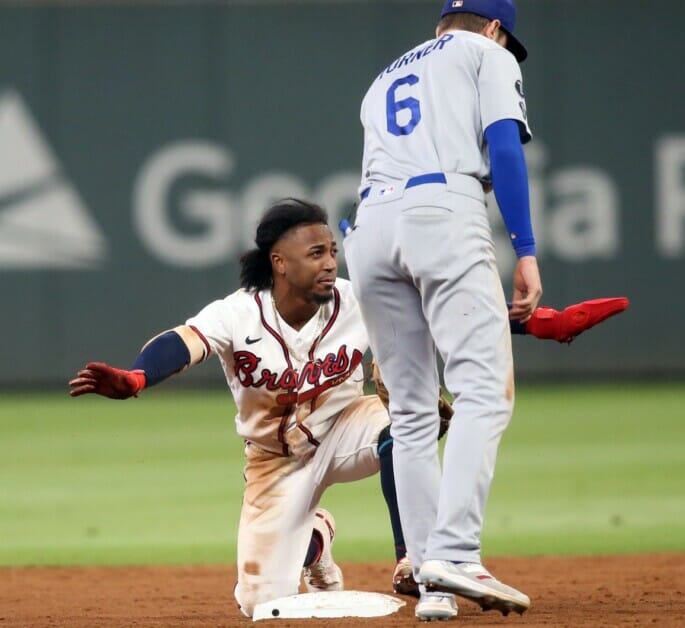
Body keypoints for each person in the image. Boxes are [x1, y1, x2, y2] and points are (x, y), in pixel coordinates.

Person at [68, 198, 627, 618]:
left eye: (332, 251)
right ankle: (316, 540)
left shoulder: (357, 300)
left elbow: (455, 310)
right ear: (279, 262)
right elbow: (180, 342)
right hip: (272, 462)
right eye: (315, 253)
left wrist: (547, 324)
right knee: (260, 604)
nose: (329, 262)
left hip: (346, 429)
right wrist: (137, 377)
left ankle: (414, 559)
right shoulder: (239, 313)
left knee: (406, 421)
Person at [345, 0, 544, 620]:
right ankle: (455, 553)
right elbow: (504, 148)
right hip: (442, 209)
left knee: (410, 413)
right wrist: (526, 250)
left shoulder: (383, 77)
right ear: (494, 27)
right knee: (483, 390)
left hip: (369, 227)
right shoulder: (486, 53)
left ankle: (434, 584)